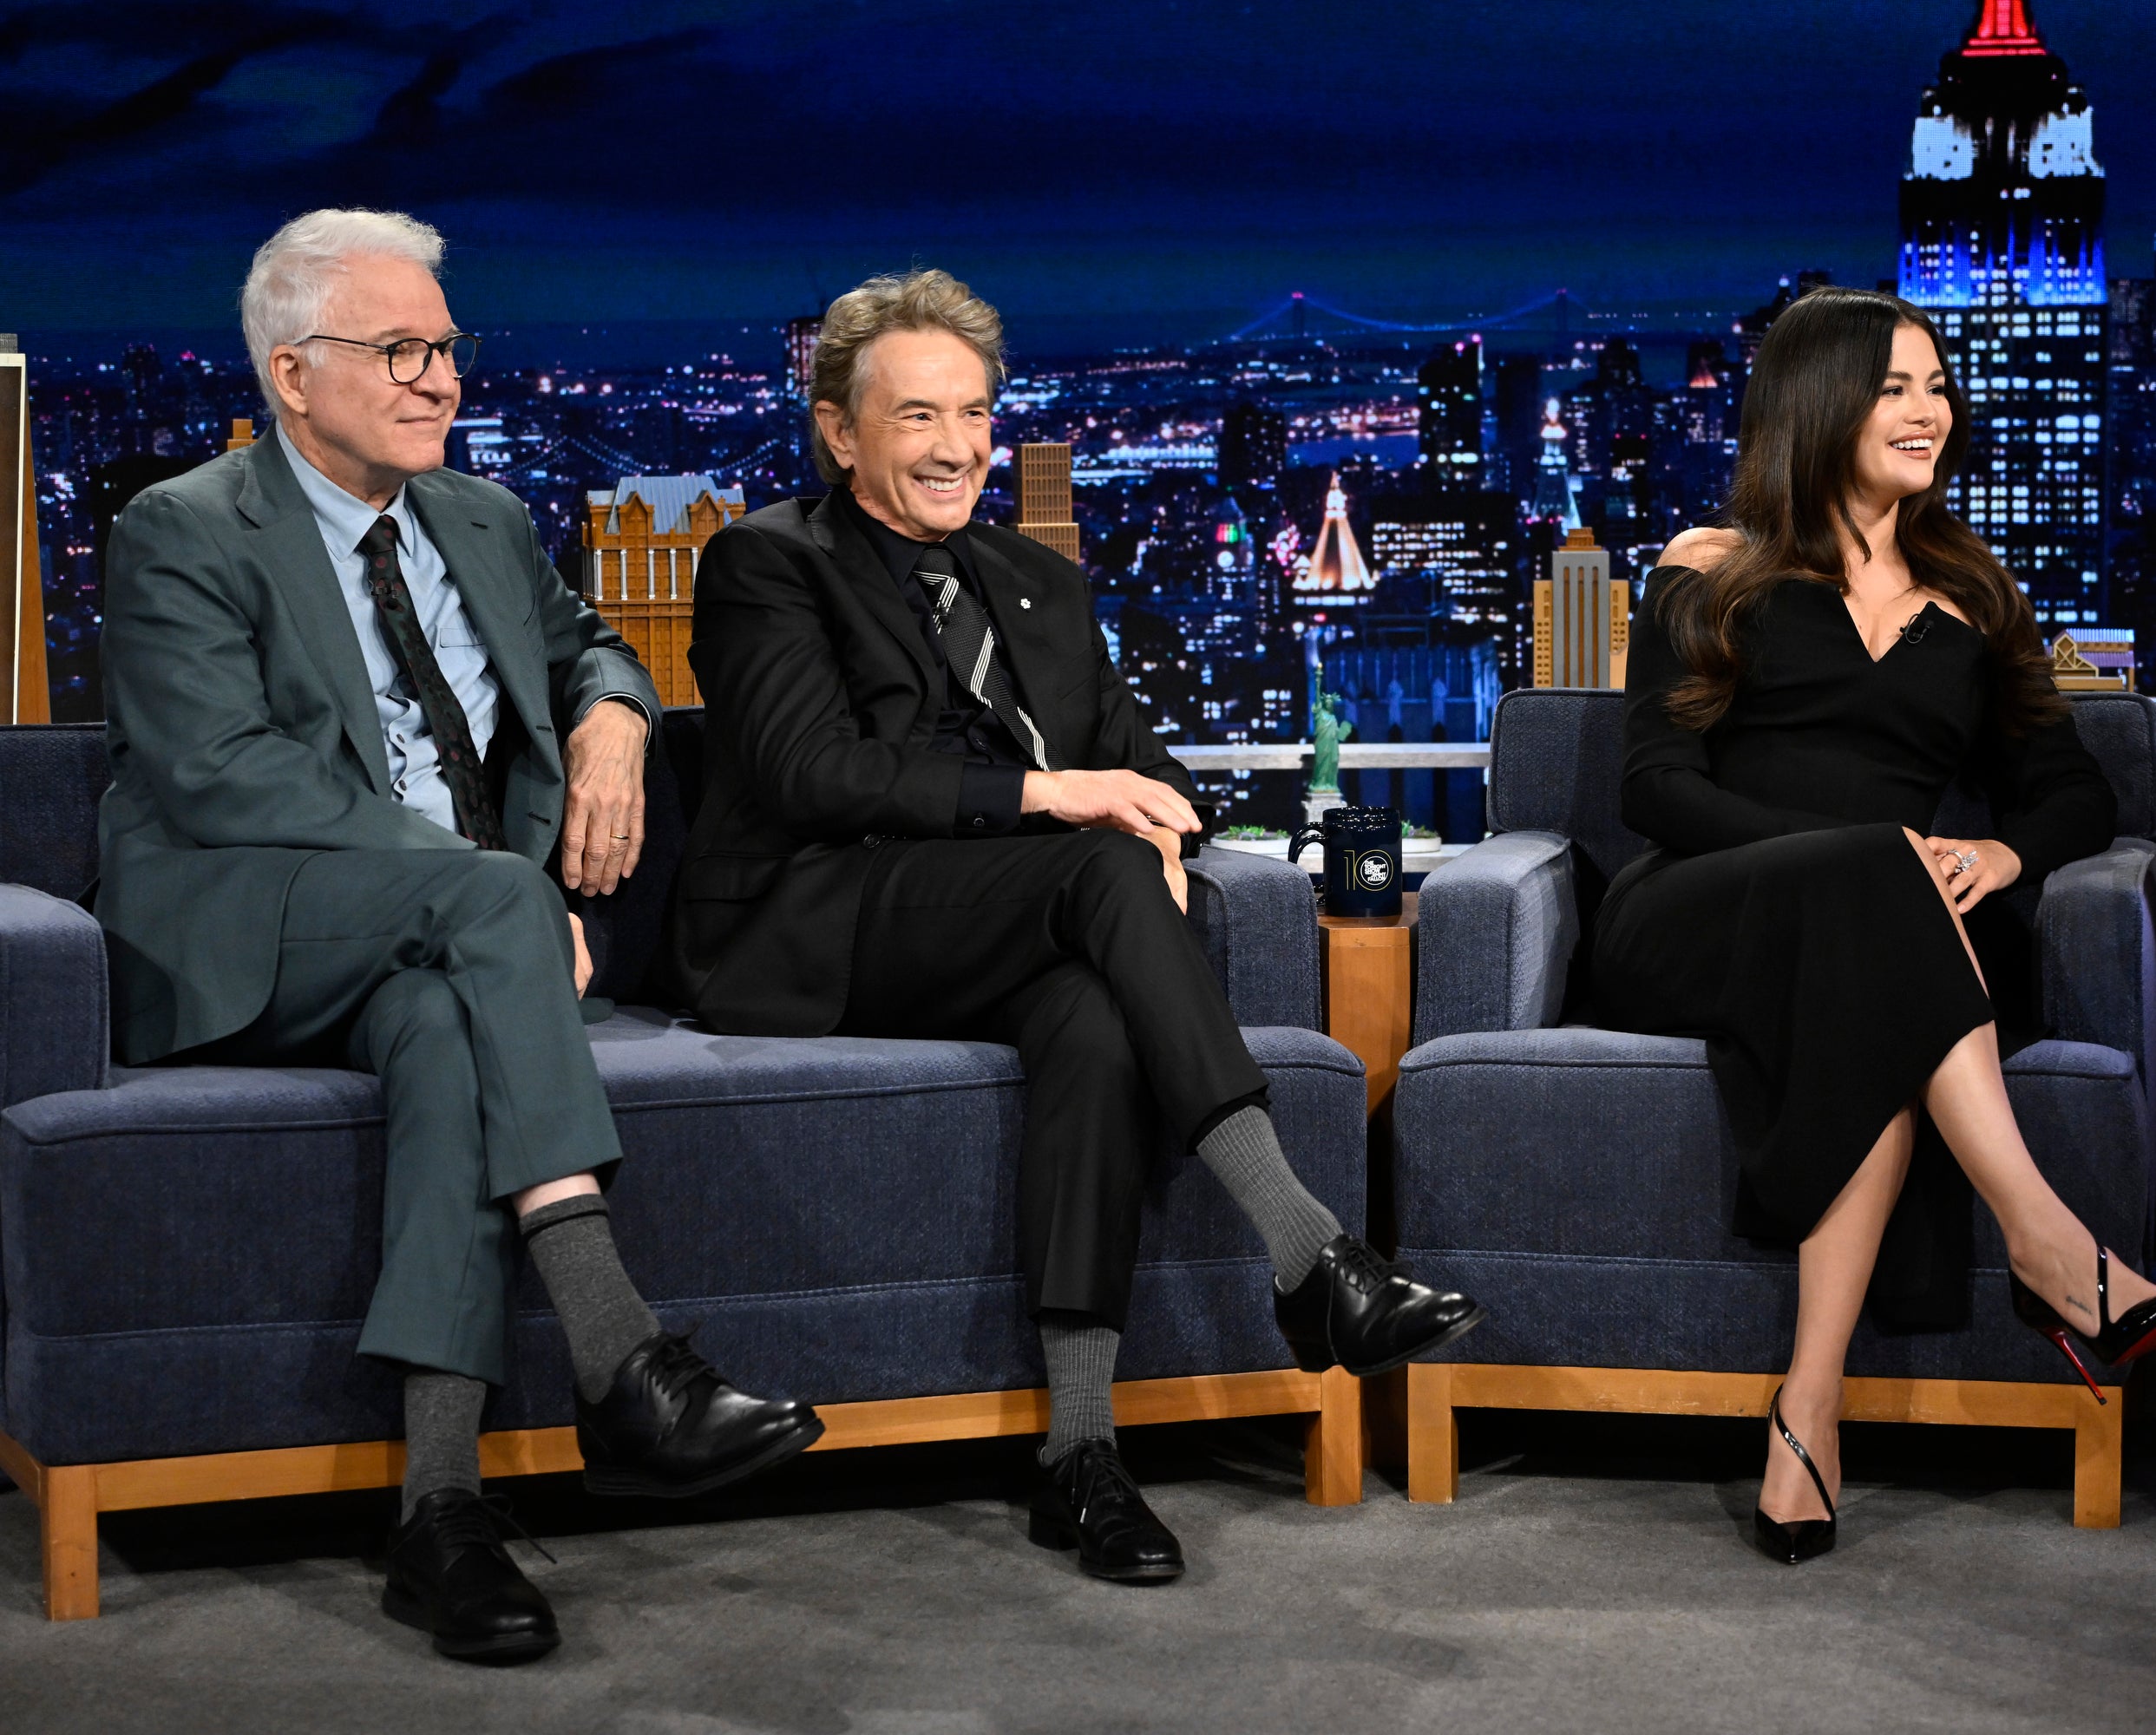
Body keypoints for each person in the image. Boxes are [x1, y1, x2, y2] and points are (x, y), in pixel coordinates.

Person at [665, 269, 1485, 1584]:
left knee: (1095, 1020)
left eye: (975, 414)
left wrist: (1163, 835)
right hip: (816, 922)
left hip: (1004, 927)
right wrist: (1064, 810)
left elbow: (1147, 767)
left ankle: (1082, 1455)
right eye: (917, 417)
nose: (956, 447)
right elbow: (802, 775)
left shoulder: (1037, 580)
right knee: (1096, 876)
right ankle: (1306, 1251)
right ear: (839, 431)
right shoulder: (768, 561)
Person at [97, 209, 822, 1663]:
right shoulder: (180, 528)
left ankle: (441, 1517)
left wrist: (614, 721)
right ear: (293, 375)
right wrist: (480, 891)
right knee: (491, 898)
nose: (440, 378)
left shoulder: (481, 522)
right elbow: (225, 771)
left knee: (447, 1031)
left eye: (447, 346)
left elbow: (594, 647)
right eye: (400, 349)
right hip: (252, 926)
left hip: (431, 959)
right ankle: (623, 1356)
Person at [1595, 285, 2156, 1565]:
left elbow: (2075, 786)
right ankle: (2046, 1239)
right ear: (1816, 403)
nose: (1926, 411)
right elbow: (1651, 790)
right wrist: (1832, 860)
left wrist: (2003, 851)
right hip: (1699, 912)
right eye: (1893, 386)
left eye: (1936, 387)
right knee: (1865, 886)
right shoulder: (1707, 570)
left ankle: (1806, 1413)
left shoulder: (1976, 595)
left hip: (1892, 931)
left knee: (1874, 953)